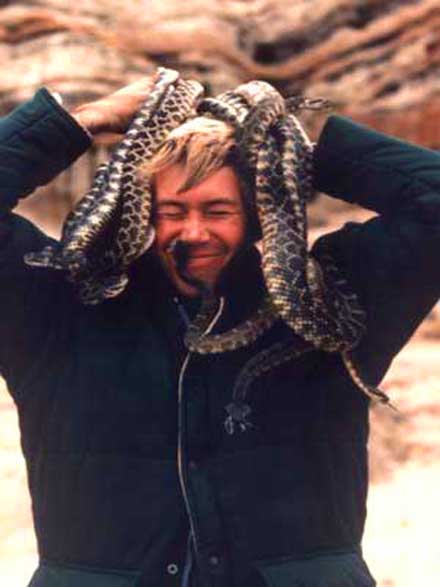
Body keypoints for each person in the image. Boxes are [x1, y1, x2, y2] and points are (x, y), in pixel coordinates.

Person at [0, 70, 439, 587]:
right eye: (172, 210)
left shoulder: (331, 303)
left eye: (218, 210)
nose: (194, 231)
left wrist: (283, 151)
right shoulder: (61, 311)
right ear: (144, 213)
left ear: (255, 214)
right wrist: (83, 121)